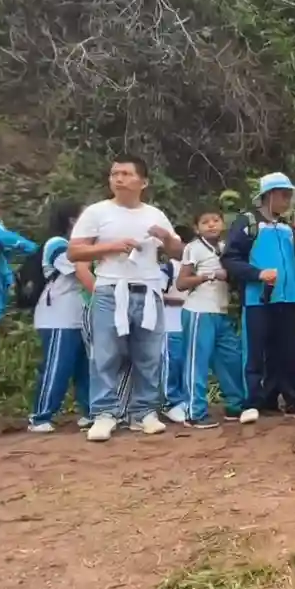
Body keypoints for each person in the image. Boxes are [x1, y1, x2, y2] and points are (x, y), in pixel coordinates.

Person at [68, 154, 183, 442]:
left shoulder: (155, 214)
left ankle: (143, 413)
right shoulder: (96, 212)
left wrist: (166, 239)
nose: (118, 178)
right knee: (105, 354)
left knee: (149, 355)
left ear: (143, 182)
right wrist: (111, 246)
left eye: (125, 174)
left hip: (148, 290)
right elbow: (74, 252)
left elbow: (180, 253)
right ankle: (105, 414)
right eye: (114, 174)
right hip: (110, 289)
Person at [223, 173, 295, 421]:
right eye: (282, 194)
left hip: (288, 298)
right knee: (255, 351)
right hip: (259, 298)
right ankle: (253, 402)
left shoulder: (289, 227)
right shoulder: (248, 223)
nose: (287, 200)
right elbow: (230, 259)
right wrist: (257, 274)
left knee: (288, 351)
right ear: (268, 196)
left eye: (289, 195)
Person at [175, 209, 248, 427]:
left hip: (222, 311)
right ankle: (194, 412)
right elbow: (181, 283)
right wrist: (209, 275)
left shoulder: (227, 248)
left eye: (215, 220)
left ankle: (235, 405)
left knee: (231, 358)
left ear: (223, 224)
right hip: (199, 311)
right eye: (205, 222)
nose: (211, 225)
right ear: (197, 228)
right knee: (197, 362)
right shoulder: (193, 248)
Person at [28, 201, 95, 433]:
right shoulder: (57, 244)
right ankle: (41, 415)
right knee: (57, 366)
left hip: (81, 315)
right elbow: (81, 269)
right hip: (58, 315)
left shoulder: (84, 247)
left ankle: (90, 412)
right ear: (72, 221)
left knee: (85, 367)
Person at [161, 236, 190, 423]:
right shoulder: (167, 268)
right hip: (170, 323)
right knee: (172, 362)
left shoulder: (192, 268)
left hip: (187, 323)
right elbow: (158, 294)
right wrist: (183, 301)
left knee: (186, 363)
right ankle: (169, 402)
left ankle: (184, 401)